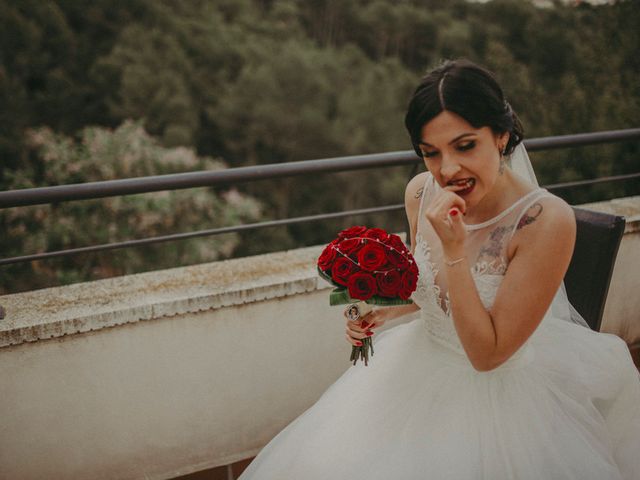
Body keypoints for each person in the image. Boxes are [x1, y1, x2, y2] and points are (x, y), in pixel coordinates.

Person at [239, 59, 640, 479]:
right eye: (431, 153)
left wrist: (454, 251)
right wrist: (380, 312)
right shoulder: (420, 191)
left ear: (501, 136)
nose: (448, 170)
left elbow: (489, 356)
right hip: (416, 365)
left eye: (465, 146)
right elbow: (426, 291)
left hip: (497, 395)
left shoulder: (544, 220)